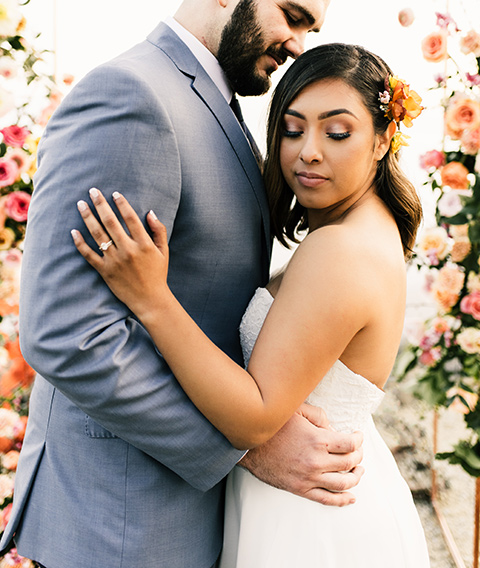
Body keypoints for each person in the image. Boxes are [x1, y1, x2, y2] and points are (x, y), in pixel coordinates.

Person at [0, 0, 364, 568]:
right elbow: (65, 332)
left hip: (178, 518)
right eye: (293, 16)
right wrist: (246, 444)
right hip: (121, 525)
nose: (298, 46)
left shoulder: (217, 101)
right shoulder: (132, 97)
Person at [72, 43, 431, 567]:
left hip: (312, 523)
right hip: (313, 499)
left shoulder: (341, 249)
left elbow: (254, 418)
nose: (308, 151)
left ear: (382, 140)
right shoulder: (366, 229)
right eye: (291, 129)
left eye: (336, 132)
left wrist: (151, 299)